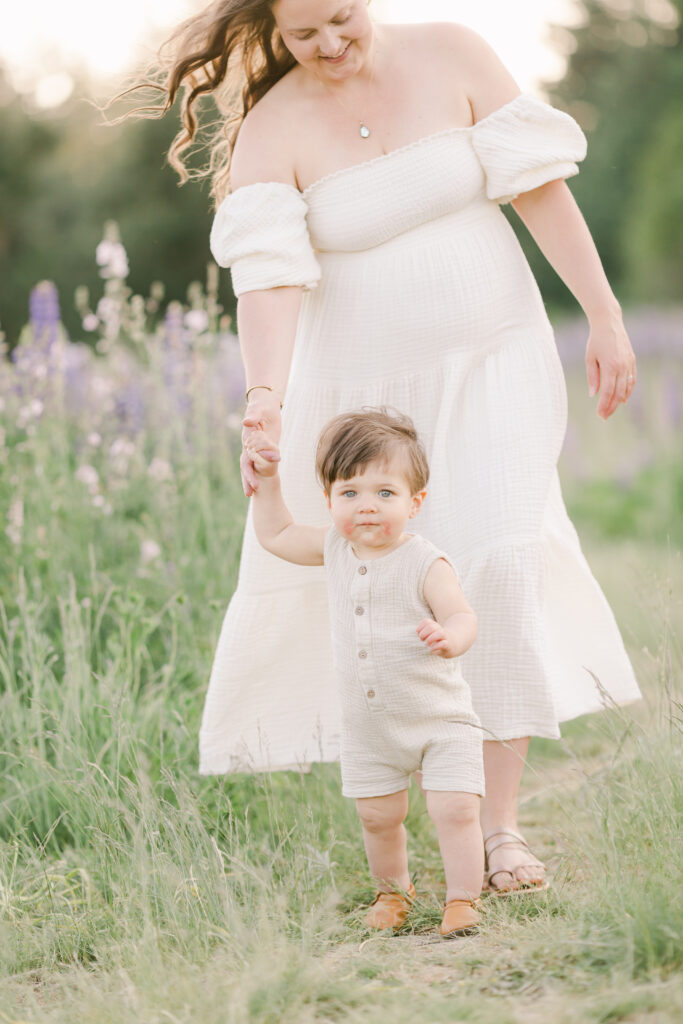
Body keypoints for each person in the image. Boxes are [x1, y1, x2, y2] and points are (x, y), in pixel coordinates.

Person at [141, 0, 642, 892]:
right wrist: (265, 400)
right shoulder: (273, 126)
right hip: (364, 394)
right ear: (272, 32)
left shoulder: (454, 52)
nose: (329, 45)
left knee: (492, 563)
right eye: (304, 35)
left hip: (495, 360)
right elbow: (268, 282)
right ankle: (411, 805)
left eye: (341, 19)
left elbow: (537, 189)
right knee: (389, 585)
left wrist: (602, 315)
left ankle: (499, 828)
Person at [247, 407, 485, 936]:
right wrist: (266, 484)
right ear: (330, 501)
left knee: (455, 810)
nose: (367, 507)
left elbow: (463, 615)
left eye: (384, 493)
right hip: (371, 727)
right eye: (349, 493)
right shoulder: (334, 547)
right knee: (378, 818)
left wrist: (451, 639)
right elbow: (278, 533)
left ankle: (464, 898)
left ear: (414, 502)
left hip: (440, 722)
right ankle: (393, 892)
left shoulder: (426, 562)